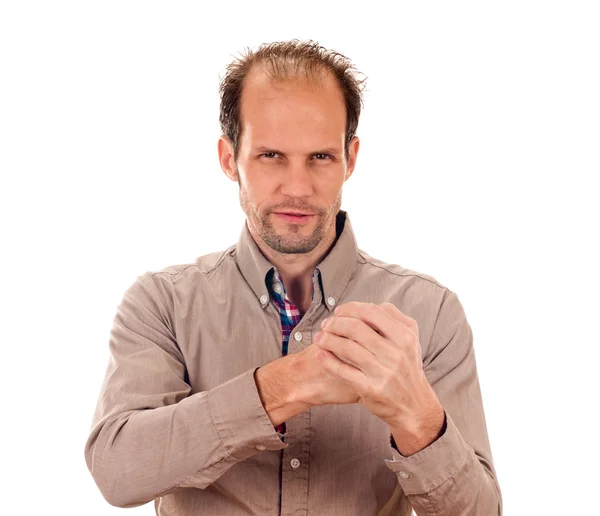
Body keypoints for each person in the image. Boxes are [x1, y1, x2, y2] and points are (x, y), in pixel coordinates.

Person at [84, 39, 503, 515]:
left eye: (320, 157)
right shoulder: (162, 304)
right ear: (229, 158)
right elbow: (117, 472)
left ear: (351, 159)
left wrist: (418, 417)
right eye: (271, 156)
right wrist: (289, 384)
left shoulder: (431, 312)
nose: (298, 188)